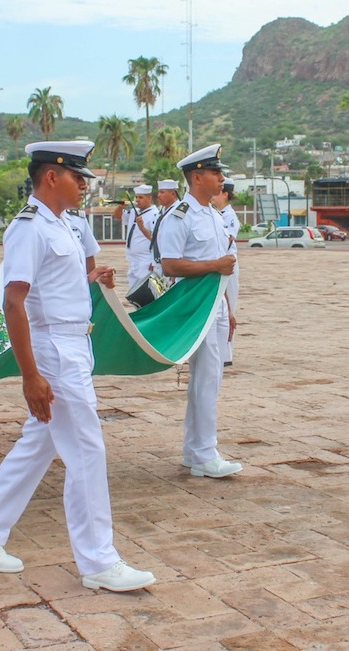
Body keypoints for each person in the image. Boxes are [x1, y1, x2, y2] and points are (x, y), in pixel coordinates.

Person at [0, 140, 154, 592]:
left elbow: (56, 284)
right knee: (87, 451)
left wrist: (93, 279)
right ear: (52, 177)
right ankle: (99, 562)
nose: (84, 186)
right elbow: (14, 301)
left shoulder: (63, 224)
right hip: (54, 352)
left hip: (73, 343)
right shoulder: (29, 227)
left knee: (40, 444)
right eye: (77, 177)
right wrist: (31, 375)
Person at [155, 144, 242, 478]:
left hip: (216, 306)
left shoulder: (213, 214)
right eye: (215, 173)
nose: (221, 178)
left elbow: (224, 271)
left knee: (210, 379)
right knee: (205, 380)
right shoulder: (180, 215)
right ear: (196, 176)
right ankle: (206, 453)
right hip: (194, 306)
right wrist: (213, 265)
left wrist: (229, 310)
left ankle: (195, 450)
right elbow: (170, 265)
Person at [211, 177, 241, 365]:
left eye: (217, 193)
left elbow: (226, 242)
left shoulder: (229, 217)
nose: (213, 197)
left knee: (229, 309)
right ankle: (219, 351)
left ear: (225, 194)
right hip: (218, 264)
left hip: (228, 265)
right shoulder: (215, 214)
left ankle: (226, 354)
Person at [118, 184, 158, 289]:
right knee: (134, 292)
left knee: (146, 292)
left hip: (146, 260)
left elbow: (156, 239)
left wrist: (154, 260)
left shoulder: (154, 214)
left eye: (141, 197)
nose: (137, 200)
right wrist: (120, 207)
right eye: (136, 197)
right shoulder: (133, 212)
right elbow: (118, 217)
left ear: (149, 198)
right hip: (133, 260)